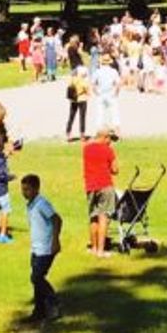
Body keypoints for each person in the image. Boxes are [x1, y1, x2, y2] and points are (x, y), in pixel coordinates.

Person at [21, 172, 62, 322]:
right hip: (36, 249)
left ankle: (53, 301)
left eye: (28, 189)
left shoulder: (41, 203)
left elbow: (57, 219)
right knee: (37, 282)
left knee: (37, 278)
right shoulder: (31, 204)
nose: (25, 193)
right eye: (23, 189)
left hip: (46, 249)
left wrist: (55, 241)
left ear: (36, 189)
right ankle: (39, 311)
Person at [82, 129, 117, 257]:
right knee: (104, 218)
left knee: (93, 217)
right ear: (105, 137)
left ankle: (94, 248)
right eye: (110, 139)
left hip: (90, 186)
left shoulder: (86, 149)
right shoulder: (108, 150)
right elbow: (115, 169)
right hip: (105, 185)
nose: (111, 142)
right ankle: (101, 251)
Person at [89, 52, 122, 135]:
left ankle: (98, 132)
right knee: (114, 113)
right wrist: (116, 93)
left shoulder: (98, 71)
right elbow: (118, 84)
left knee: (100, 113)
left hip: (101, 94)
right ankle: (117, 132)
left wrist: (96, 93)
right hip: (111, 93)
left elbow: (93, 84)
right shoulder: (113, 71)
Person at [64, 67, 90, 142]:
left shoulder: (72, 79)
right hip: (82, 99)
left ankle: (68, 132)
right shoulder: (83, 80)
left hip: (73, 100)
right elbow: (88, 91)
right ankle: (82, 134)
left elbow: (69, 87)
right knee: (82, 117)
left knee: (71, 117)